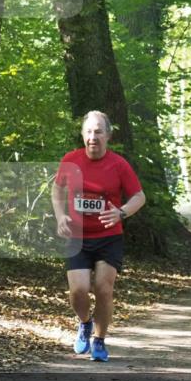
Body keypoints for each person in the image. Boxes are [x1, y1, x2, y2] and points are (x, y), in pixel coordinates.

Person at [52, 111, 145, 362]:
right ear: (83, 135)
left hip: (108, 237)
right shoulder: (71, 160)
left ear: (108, 136)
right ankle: (85, 322)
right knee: (78, 290)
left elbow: (139, 196)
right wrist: (60, 216)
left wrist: (121, 212)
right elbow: (57, 190)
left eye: (98, 132)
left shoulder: (119, 164)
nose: (93, 137)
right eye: (89, 132)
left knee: (104, 289)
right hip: (78, 237)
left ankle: (100, 340)